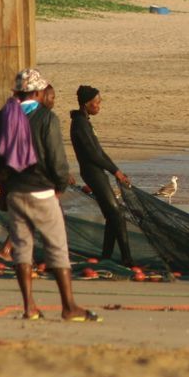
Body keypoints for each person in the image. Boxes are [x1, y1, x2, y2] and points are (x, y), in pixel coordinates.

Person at [0, 69, 97, 322]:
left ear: (17, 92)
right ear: (38, 92)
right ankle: (68, 306)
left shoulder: (3, 116)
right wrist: (60, 184)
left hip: (15, 192)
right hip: (42, 191)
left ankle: (29, 307)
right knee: (58, 249)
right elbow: (56, 158)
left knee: (22, 250)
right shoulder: (47, 118)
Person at [70, 86, 134, 266]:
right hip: (92, 173)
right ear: (86, 103)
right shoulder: (80, 124)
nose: (99, 106)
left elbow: (100, 152)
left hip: (98, 171)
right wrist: (115, 171)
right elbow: (92, 154)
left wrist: (116, 170)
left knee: (112, 214)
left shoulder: (85, 122)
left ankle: (106, 256)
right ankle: (126, 258)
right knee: (116, 213)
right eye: (96, 102)